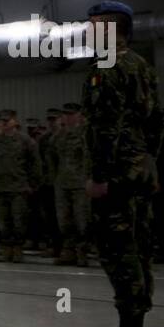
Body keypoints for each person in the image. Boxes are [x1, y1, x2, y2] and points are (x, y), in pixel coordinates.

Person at [80, 0, 163, 327]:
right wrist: (147, 163)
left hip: (116, 177)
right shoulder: (141, 65)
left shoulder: (107, 65)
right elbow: (156, 122)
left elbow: (104, 127)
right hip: (138, 172)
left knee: (118, 253)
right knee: (138, 251)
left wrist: (100, 176)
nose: (88, 31)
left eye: (94, 25)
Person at [0, 111, 42, 262]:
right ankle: (7, 248)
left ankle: (17, 248)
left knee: (19, 221)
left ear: (15, 121)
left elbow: (35, 163)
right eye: (3, 121)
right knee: (3, 222)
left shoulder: (26, 141)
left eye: (8, 120)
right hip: (0, 187)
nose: (5, 123)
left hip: (19, 187)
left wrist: (33, 184)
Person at [48, 102, 90, 266]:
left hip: (81, 184)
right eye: (65, 114)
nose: (68, 117)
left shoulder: (87, 134)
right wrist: (54, 178)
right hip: (63, 183)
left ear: (79, 115)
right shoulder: (58, 136)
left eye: (71, 114)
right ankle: (68, 251)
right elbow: (51, 158)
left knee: (82, 221)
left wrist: (90, 178)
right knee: (64, 221)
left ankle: (82, 252)